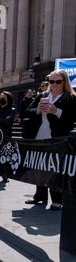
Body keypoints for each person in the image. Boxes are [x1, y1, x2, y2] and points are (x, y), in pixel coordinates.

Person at [24, 70, 76, 211]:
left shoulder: (70, 97)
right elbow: (27, 111)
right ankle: (40, 196)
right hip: (40, 136)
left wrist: (56, 111)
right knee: (39, 167)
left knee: (54, 169)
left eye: (58, 81)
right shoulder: (43, 95)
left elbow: (71, 119)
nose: (54, 84)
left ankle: (57, 200)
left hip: (58, 139)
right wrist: (38, 110)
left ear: (64, 82)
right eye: (51, 81)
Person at [0, 91, 17, 183]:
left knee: (5, 155)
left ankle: (5, 174)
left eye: (3, 96)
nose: (1, 97)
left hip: (6, 135)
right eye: (0, 96)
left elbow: (8, 121)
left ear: (8, 99)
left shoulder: (12, 110)